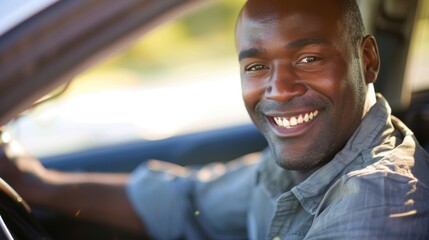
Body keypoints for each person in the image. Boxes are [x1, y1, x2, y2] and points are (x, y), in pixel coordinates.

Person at [1, 0, 429, 239]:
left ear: (367, 60)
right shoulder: (308, 161)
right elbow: (190, 201)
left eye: (309, 58)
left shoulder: (379, 204)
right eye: (257, 67)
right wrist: (38, 184)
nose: (278, 89)